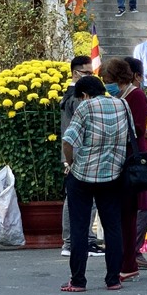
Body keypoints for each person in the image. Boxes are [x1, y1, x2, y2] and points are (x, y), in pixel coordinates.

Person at [61, 75, 129, 292]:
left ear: (84, 95)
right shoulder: (122, 104)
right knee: (112, 227)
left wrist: (70, 163)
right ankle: (113, 279)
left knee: (79, 228)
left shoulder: (86, 106)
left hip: (83, 176)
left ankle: (78, 281)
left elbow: (68, 140)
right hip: (113, 175)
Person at [100, 57, 147, 283]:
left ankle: (129, 263)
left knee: (127, 215)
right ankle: (121, 261)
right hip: (120, 159)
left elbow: (138, 128)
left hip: (131, 159)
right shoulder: (120, 97)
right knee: (120, 215)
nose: (107, 85)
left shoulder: (135, 95)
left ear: (118, 79)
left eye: (108, 80)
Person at [60, 56, 103, 258]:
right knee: (78, 200)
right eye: (87, 73)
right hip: (77, 154)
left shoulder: (73, 95)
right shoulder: (74, 97)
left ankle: (81, 240)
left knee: (81, 200)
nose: (90, 76)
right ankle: (75, 242)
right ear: (75, 73)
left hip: (79, 153)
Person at [123, 56, 147, 271]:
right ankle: (131, 249)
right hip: (136, 156)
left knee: (138, 203)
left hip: (130, 153)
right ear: (138, 76)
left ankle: (130, 249)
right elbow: (137, 127)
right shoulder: (135, 94)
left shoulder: (124, 94)